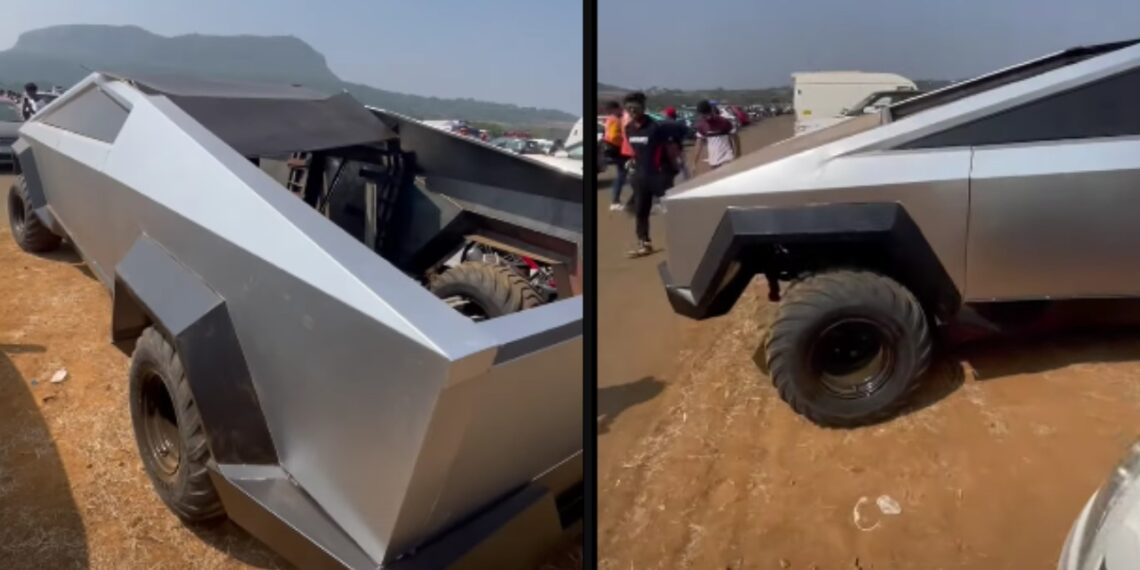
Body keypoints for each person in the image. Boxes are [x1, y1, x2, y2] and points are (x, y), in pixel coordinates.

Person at [622, 91, 686, 258]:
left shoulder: (657, 127)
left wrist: (675, 168)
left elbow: (671, 147)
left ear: (643, 107)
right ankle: (644, 243)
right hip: (640, 177)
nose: (632, 111)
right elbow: (635, 151)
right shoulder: (628, 129)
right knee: (641, 211)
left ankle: (685, 239)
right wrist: (632, 163)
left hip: (659, 176)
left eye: (635, 108)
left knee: (672, 209)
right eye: (629, 108)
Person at [691, 100, 741, 175]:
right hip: (713, 162)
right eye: (704, 115)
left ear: (711, 110)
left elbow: (735, 138)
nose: (708, 117)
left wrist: (737, 155)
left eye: (708, 113)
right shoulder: (701, 126)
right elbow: (698, 145)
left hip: (727, 158)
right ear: (701, 114)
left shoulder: (724, 122)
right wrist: (694, 163)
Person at [601, 101, 630, 210]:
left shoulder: (609, 119)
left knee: (622, 174)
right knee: (622, 175)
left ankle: (616, 200)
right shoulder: (615, 120)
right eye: (619, 109)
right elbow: (613, 136)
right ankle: (615, 201)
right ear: (614, 109)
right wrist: (623, 138)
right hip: (618, 150)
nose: (621, 110)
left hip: (612, 150)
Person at [661, 106, 691, 183]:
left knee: (668, 167)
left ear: (667, 115)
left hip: (665, 149)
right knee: (682, 166)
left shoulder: (661, 124)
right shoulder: (679, 124)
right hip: (678, 148)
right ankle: (687, 182)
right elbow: (688, 133)